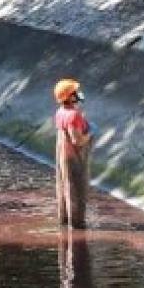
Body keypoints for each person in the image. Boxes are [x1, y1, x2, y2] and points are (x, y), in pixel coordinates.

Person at [53, 78, 92, 227]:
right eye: (75, 92)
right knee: (76, 192)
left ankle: (64, 222)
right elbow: (77, 140)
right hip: (73, 158)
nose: (78, 94)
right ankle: (76, 226)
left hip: (62, 156)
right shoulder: (73, 115)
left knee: (64, 189)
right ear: (69, 96)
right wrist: (89, 134)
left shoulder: (60, 112)